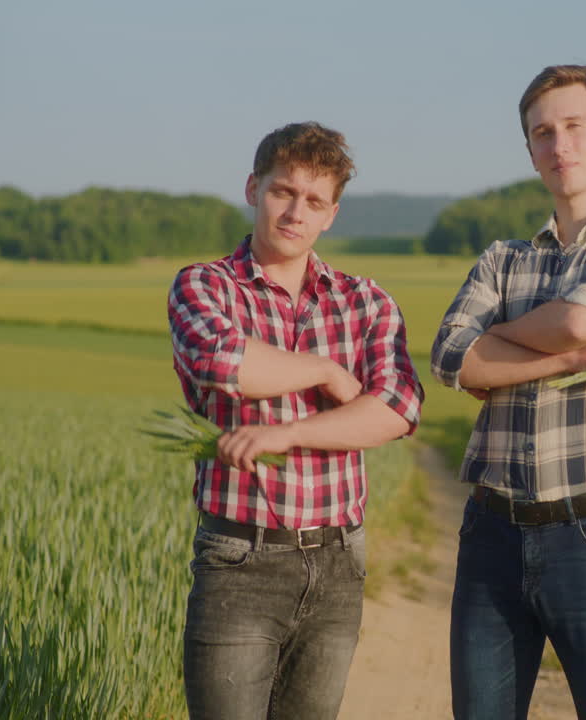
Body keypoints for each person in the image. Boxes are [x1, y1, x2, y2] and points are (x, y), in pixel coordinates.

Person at [430, 65, 586, 719]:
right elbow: (452, 357)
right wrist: (575, 360)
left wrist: (500, 341)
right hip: (491, 534)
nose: (559, 145)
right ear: (530, 150)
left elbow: (574, 320)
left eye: (574, 127)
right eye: (543, 133)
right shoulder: (502, 259)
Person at [167, 121, 423, 720]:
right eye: (283, 191)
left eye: (313, 200)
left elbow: (398, 408)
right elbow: (223, 362)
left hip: (339, 559)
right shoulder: (206, 285)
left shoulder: (366, 301)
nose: (294, 212)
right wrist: (327, 372)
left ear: (331, 214)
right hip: (239, 559)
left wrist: (289, 432)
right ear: (253, 188)